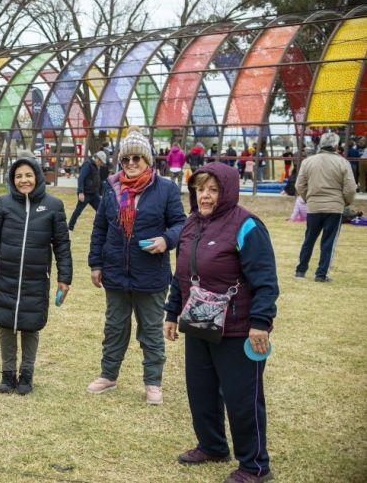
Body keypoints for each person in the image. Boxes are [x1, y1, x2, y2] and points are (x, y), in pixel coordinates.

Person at [163, 162, 279, 483]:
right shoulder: (191, 225)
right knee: (200, 391)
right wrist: (172, 313)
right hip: (198, 321)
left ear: (226, 191)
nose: (206, 195)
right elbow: (181, 275)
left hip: (238, 328)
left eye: (213, 189)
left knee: (242, 398)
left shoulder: (247, 226)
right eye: (200, 189)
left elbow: (266, 280)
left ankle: (255, 466)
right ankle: (212, 446)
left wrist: (260, 322)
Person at [87, 129, 186, 404]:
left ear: (148, 160)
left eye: (137, 158)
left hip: (151, 275)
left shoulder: (165, 188)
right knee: (115, 327)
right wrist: (96, 263)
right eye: (126, 158)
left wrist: (166, 240)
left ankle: (153, 382)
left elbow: (182, 224)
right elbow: (100, 228)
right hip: (116, 272)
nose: (131, 163)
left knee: (151, 331)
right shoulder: (111, 187)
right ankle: (108, 375)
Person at [0, 156, 72, 395]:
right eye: (18, 176)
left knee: (31, 326)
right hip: (6, 276)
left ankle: (26, 374)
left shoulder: (53, 205)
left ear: (38, 176)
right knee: (5, 324)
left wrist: (65, 278)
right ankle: (7, 374)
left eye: (28, 175)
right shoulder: (4, 203)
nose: (24, 180)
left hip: (36, 278)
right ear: (12, 179)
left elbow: (62, 245)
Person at [294, 132, 356, 282]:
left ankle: (300, 270)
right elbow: (350, 188)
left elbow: (299, 185)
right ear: (336, 145)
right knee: (328, 242)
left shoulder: (308, 161)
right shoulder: (343, 163)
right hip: (334, 207)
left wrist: (308, 198)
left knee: (309, 239)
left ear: (321, 144)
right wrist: (345, 202)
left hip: (314, 206)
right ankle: (321, 274)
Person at [68, 150, 106, 231]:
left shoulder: (96, 166)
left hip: (94, 194)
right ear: (97, 159)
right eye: (101, 162)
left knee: (101, 210)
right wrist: (81, 192)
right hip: (85, 193)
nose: (101, 164)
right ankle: (70, 227)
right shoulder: (87, 165)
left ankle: (101, 226)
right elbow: (81, 178)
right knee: (78, 211)